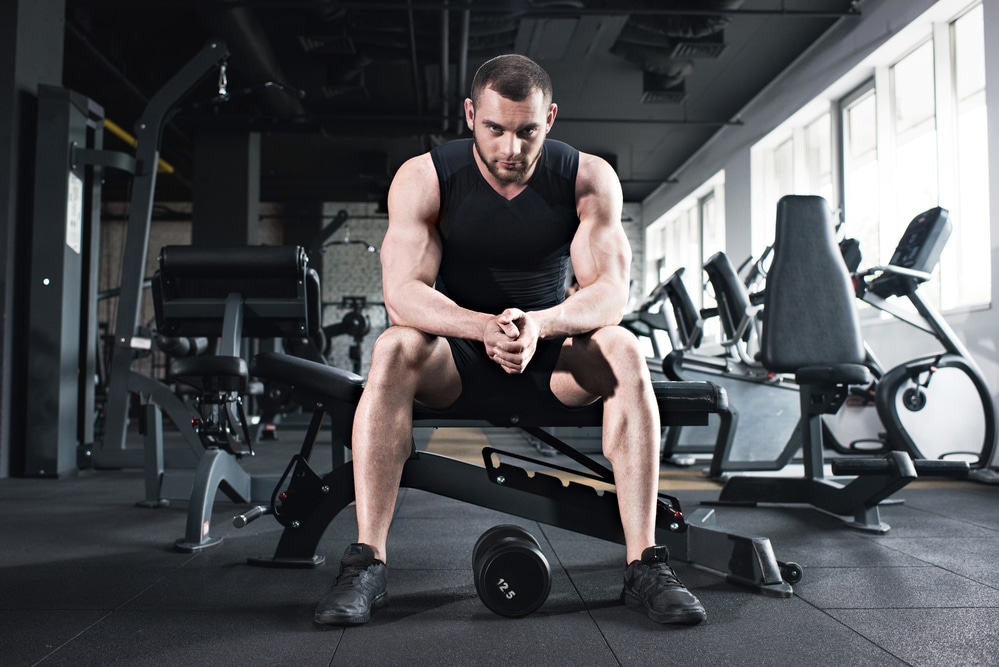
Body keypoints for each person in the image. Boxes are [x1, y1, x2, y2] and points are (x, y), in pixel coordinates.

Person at [314, 54, 706, 627]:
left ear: (550, 118)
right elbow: (402, 293)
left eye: (527, 131)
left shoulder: (586, 177)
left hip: (552, 356)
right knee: (393, 346)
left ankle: (644, 564)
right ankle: (366, 563)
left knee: (623, 346)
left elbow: (608, 294)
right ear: (472, 114)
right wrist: (481, 326)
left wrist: (540, 324)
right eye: (495, 129)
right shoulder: (425, 177)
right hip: (460, 356)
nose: (511, 148)